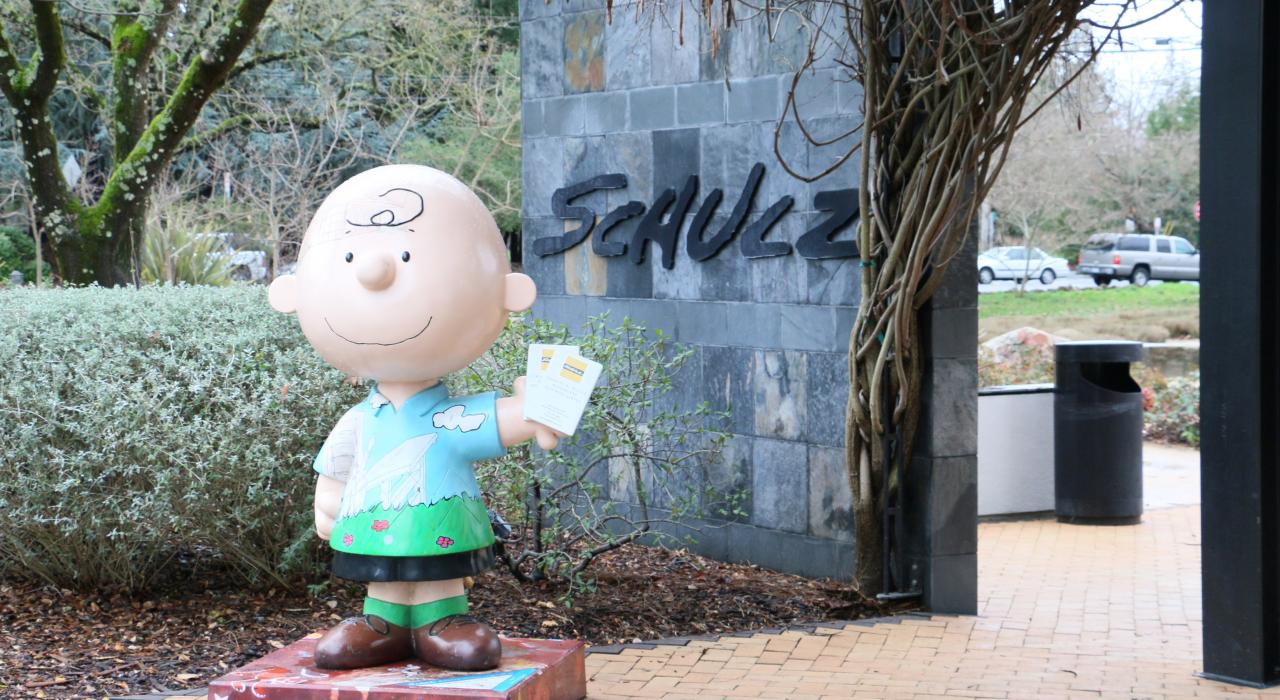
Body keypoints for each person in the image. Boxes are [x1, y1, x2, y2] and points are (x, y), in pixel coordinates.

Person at [267, 164, 561, 671]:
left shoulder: (449, 418)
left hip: (438, 520)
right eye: (352, 258)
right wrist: (330, 496)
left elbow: (497, 420)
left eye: (404, 257)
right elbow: (336, 464)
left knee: (436, 566)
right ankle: (381, 619)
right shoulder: (362, 419)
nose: (372, 273)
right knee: (384, 571)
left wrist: (539, 409)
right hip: (372, 520)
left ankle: (442, 618)